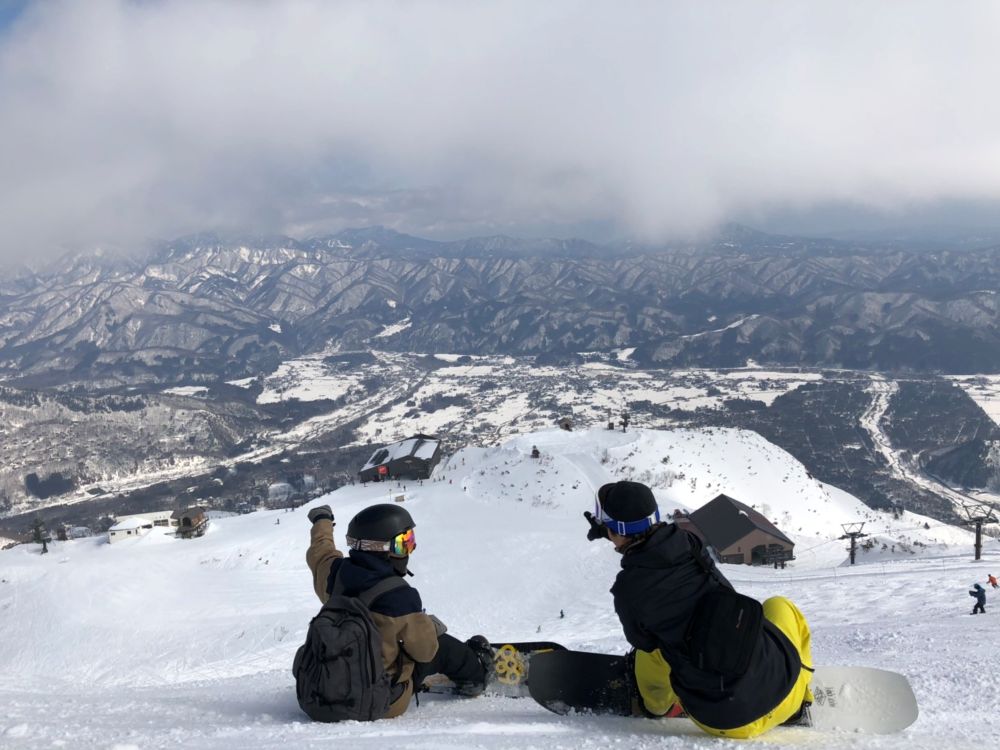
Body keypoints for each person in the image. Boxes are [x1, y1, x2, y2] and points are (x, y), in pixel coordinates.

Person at [583, 481, 814, 739]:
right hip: (788, 687)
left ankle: (655, 706)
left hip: (727, 720)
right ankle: (801, 703)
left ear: (615, 530)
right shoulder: (689, 543)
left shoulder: (628, 591)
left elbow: (643, 641)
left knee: (652, 652)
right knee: (780, 605)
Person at [306, 502, 492, 719]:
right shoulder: (399, 596)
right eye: (404, 543)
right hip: (381, 700)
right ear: (382, 549)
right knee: (441, 645)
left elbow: (320, 549)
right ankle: (476, 675)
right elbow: (426, 651)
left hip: (320, 692)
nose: (410, 549)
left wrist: (322, 519)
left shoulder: (333, 575)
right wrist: (429, 626)